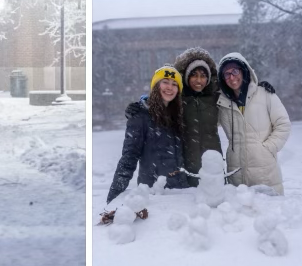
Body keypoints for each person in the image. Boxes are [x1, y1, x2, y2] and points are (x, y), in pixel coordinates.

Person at [107, 66, 189, 203]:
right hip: (152, 194)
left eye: (175, 84)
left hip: (179, 192)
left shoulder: (178, 116)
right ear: (156, 85)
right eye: (165, 82)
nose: (170, 87)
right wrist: (113, 198)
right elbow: (129, 158)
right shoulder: (140, 115)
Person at [217, 53, 291, 194]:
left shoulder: (265, 94)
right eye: (226, 74)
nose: (232, 77)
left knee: (270, 213)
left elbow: (283, 124)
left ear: (244, 70)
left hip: (266, 174)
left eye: (235, 71)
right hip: (236, 174)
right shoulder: (222, 103)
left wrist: (267, 149)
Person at [173, 48, 223, 186]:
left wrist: (258, 88)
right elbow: (157, 103)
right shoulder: (177, 99)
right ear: (186, 76)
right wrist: (141, 105)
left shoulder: (216, 98)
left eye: (203, 75)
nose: (199, 80)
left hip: (213, 163)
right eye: (194, 75)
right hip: (186, 165)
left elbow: (240, 95)